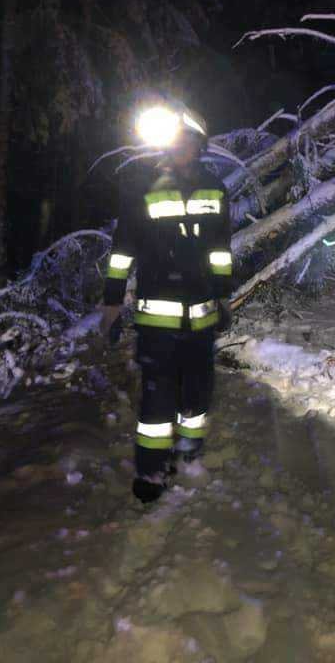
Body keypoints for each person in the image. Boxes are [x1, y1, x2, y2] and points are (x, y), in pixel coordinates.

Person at [100, 103, 233, 503]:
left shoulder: (215, 189)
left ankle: (189, 451)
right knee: (158, 395)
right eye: (174, 142)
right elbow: (122, 251)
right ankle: (151, 471)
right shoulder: (142, 189)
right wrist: (111, 304)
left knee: (197, 391)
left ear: (199, 145)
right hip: (157, 319)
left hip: (202, 316)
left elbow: (220, 250)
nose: (181, 149)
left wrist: (224, 296)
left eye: (187, 142)